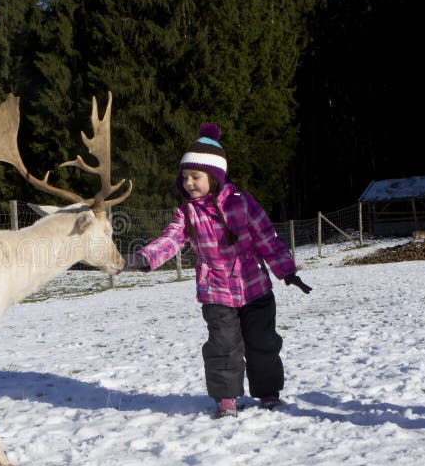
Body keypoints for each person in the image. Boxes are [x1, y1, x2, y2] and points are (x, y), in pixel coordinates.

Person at [125, 123, 312, 418]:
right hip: (216, 292)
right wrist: (145, 257)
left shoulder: (243, 204)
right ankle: (226, 398)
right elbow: (171, 238)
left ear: (214, 176)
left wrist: (286, 271)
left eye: (195, 177)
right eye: (185, 177)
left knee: (263, 343)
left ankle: (268, 393)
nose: (188, 183)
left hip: (255, 289)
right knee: (223, 346)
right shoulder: (187, 212)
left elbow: (267, 239)